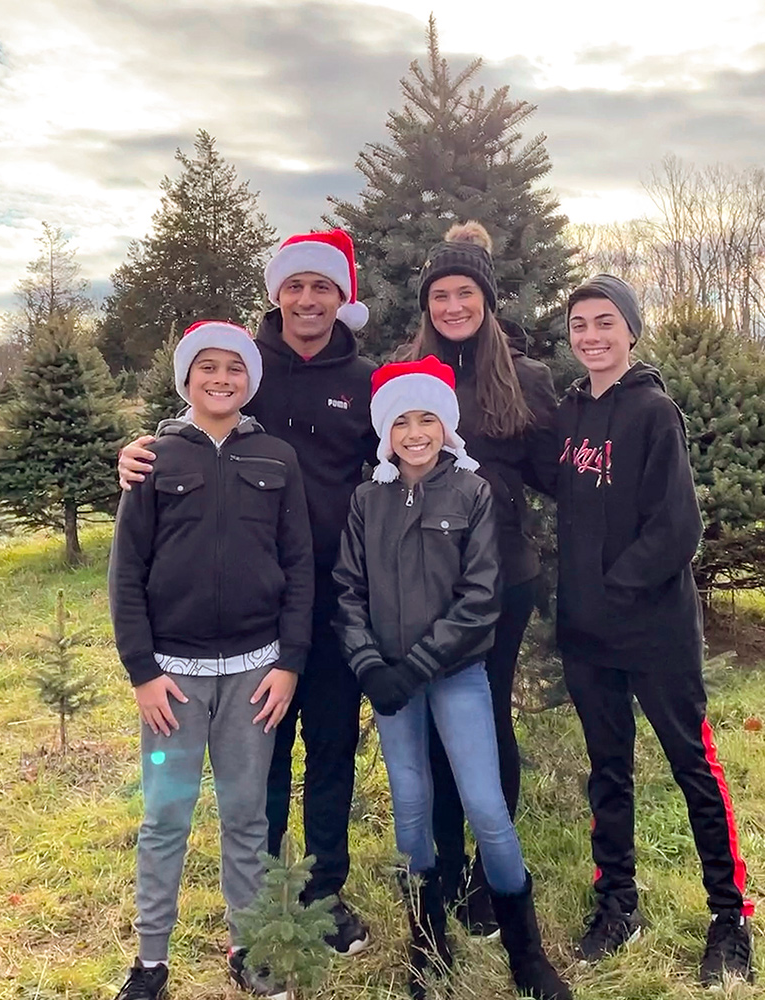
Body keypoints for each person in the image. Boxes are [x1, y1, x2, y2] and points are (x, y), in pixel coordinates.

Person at [118, 229, 379, 956]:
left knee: (330, 749)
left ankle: (324, 893)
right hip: (250, 620)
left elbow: (405, 452)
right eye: (294, 285)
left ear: (340, 298)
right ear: (276, 294)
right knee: (259, 762)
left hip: (335, 600)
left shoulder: (364, 379)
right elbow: (198, 423)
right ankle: (264, 900)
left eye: (321, 286)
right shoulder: (247, 362)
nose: (306, 298)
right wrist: (137, 454)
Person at [332, 355, 570, 1000]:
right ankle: (427, 939)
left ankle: (527, 951)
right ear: (385, 431)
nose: (415, 433)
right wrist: (369, 664)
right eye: (401, 421)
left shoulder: (471, 492)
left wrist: (420, 663)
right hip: (388, 683)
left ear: (446, 426)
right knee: (411, 807)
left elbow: (480, 595)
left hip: (454, 674)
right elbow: (348, 590)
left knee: (486, 806)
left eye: (427, 419)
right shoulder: (366, 499)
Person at [555, 275, 755, 986]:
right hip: (587, 635)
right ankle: (617, 903)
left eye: (605, 322)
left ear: (630, 330)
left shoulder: (654, 412)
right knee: (608, 770)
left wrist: (616, 588)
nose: (592, 336)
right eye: (580, 324)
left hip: (653, 632)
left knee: (691, 764)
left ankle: (730, 920)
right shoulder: (571, 414)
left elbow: (678, 527)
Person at [108, 320, 315, 1000]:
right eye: (207, 368)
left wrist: (288, 663)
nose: (220, 378)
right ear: (187, 380)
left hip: (256, 677)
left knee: (246, 815)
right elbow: (126, 576)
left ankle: (249, 947)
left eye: (233, 368)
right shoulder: (154, 461)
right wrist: (143, 672)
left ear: (249, 381)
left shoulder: (277, 460)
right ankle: (150, 962)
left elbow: (299, 567)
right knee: (166, 814)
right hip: (173, 683)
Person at [401, 221, 559, 935]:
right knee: (436, 728)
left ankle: (494, 881)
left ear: (487, 301)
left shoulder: (525, 379)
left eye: (466, 292)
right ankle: (448, 860)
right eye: (441, 294)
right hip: (423, 582)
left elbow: (563, 475)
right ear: (428, 304)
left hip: (502, 580)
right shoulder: (407, 377)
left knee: (488, 719)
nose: (453, 305)